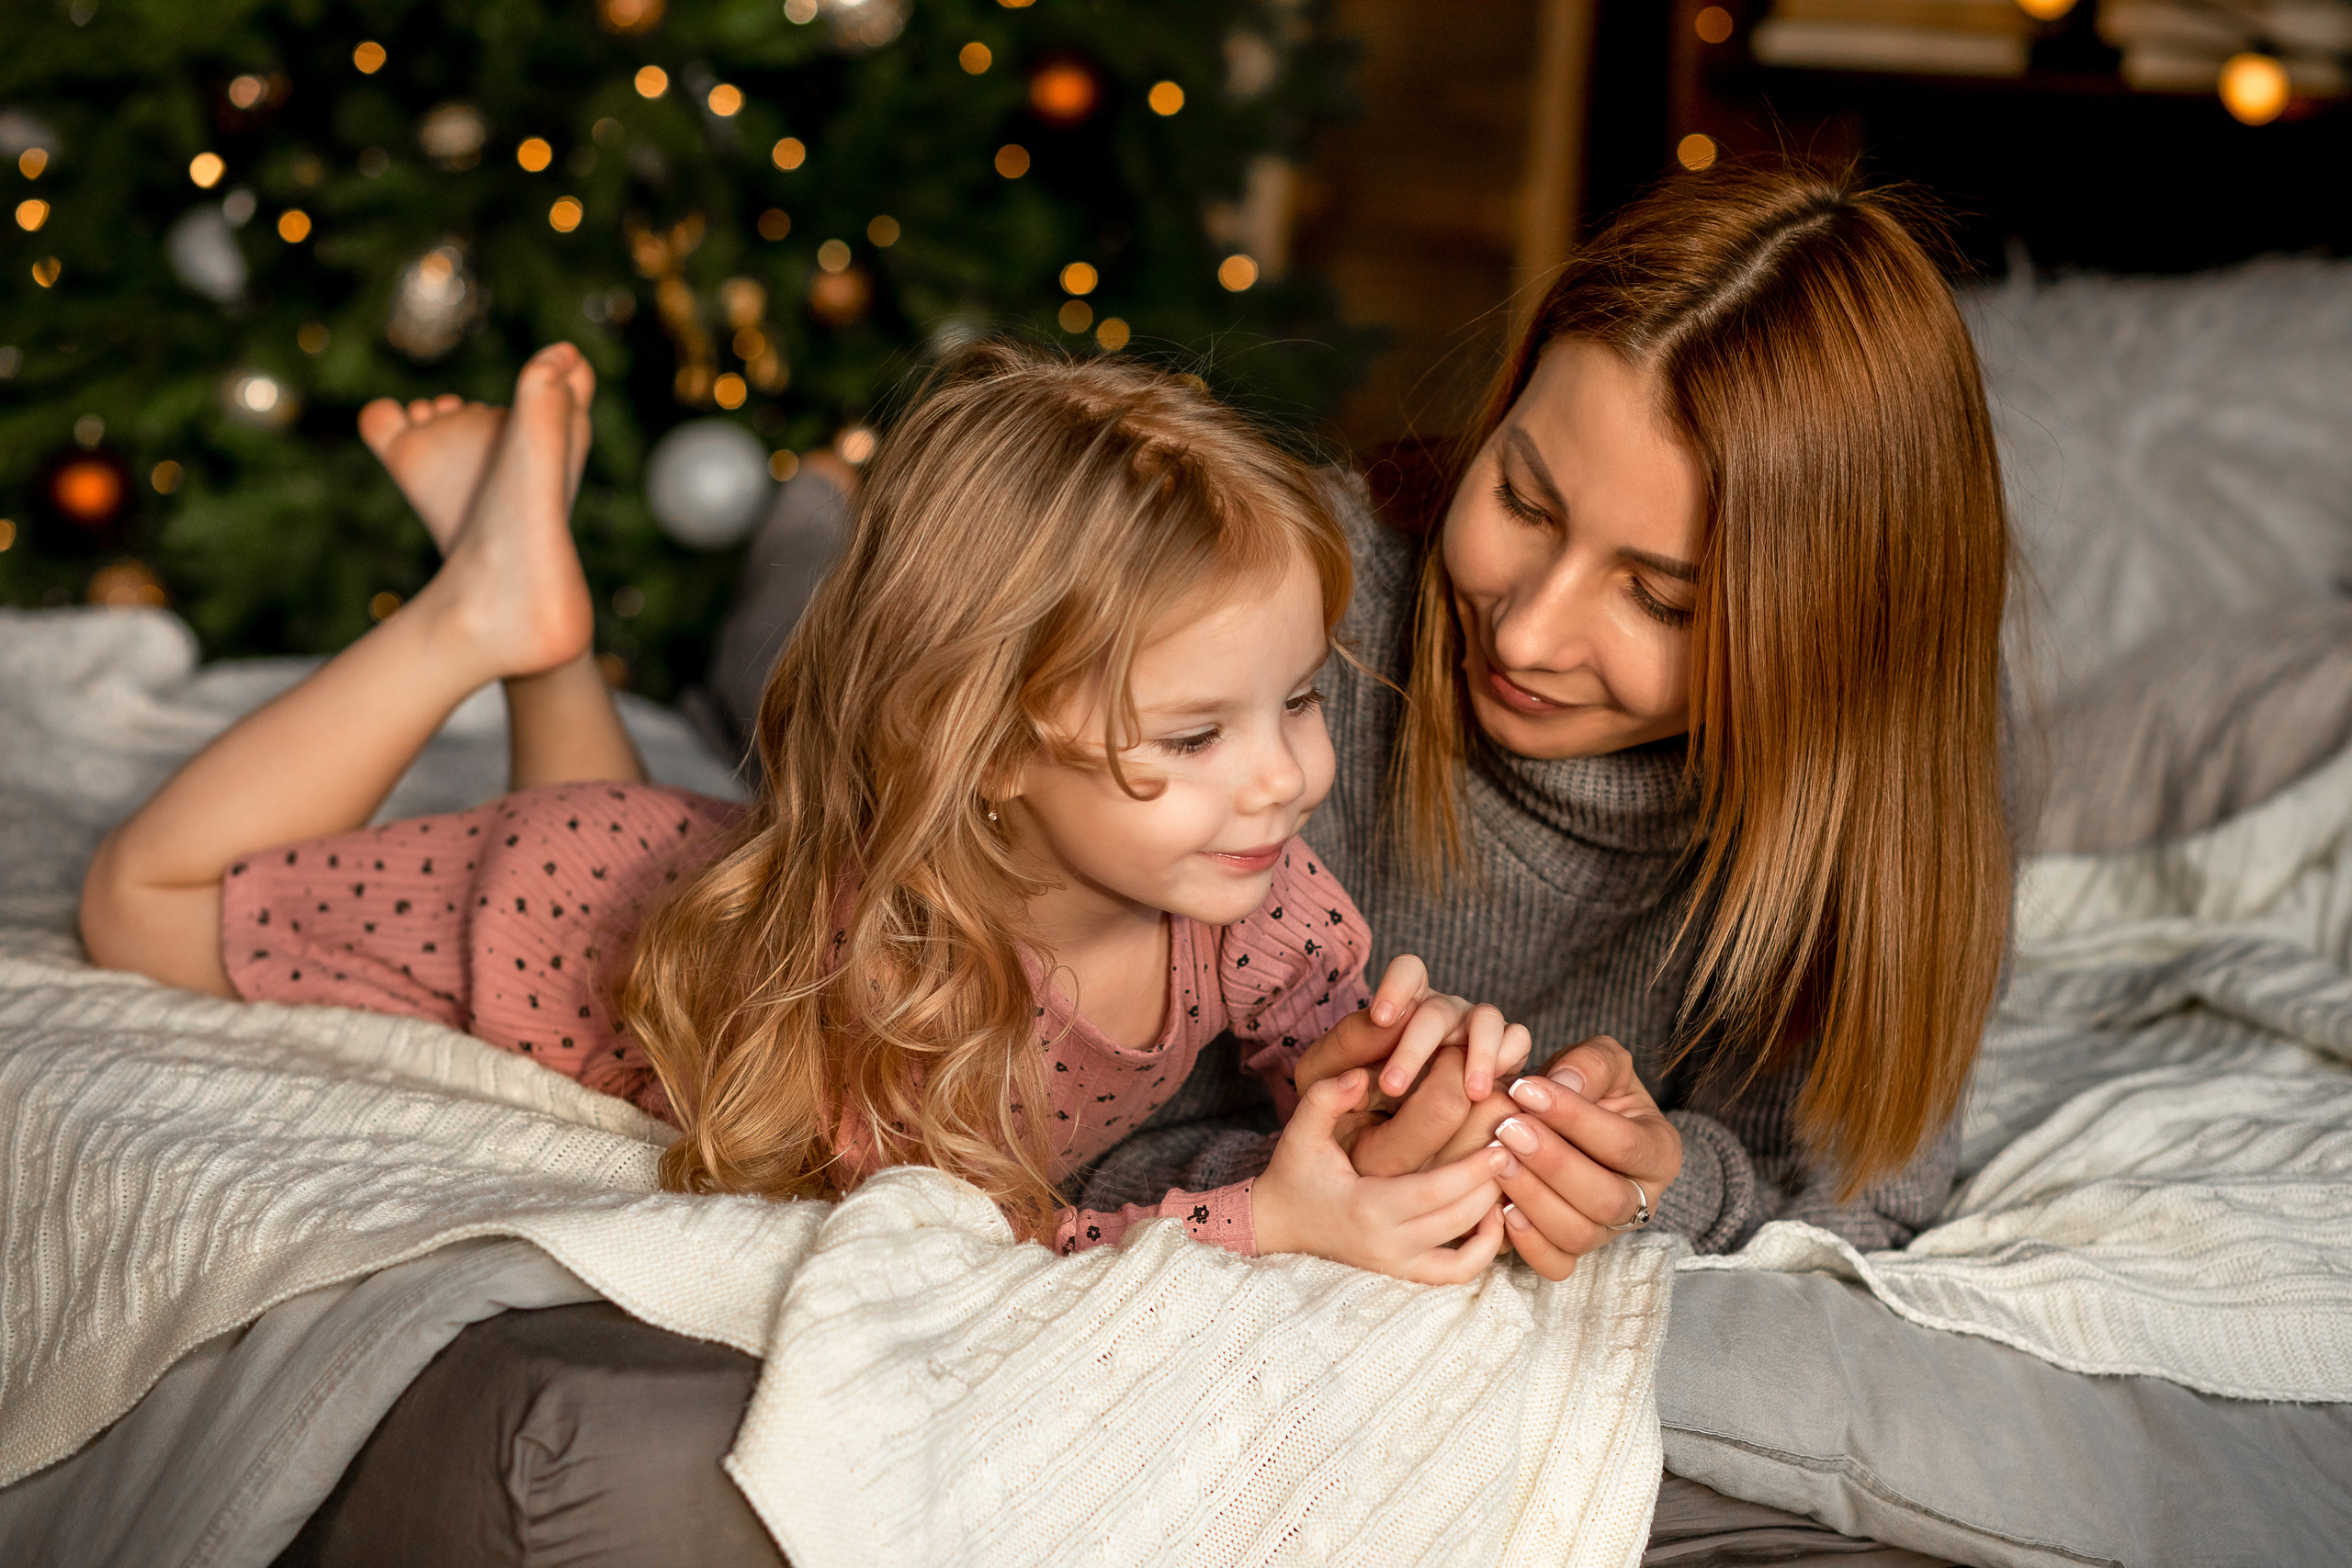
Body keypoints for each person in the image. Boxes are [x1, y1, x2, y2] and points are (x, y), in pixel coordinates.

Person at [77, 340, 1592, 1282]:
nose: (1281, 779)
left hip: (666, 876)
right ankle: (470, 618)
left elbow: (1322, 1061)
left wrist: (1408, 1084)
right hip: (553, 912)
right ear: (982, 743)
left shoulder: (1247, 880)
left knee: (623, 826)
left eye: (1297, 701)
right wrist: (1271, 1226)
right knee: (137, 903)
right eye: (1194, 734)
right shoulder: (898, 996)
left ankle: (548, 622)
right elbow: (964, 1261)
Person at [1265, 161, 2015, 1273]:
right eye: (1520, 497)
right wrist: (1299, 1171)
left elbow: (1857, 1203)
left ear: (1826, 647)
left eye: (1660, 596)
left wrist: (1661, 1186)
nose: (1525, 635)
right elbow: (1028, 1110)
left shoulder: (1882, 799)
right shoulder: (1294, 612)